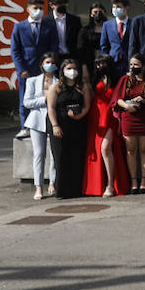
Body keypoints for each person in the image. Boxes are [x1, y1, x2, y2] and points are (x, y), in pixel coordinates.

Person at [11, 0, 60, 133]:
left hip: (46, 68)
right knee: (25, 98)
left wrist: (50, 65)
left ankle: (48, 125)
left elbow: (54, 46)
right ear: (28, 9)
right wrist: (21, 69)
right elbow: (15, 50)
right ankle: (25, 127)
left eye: (40, 8)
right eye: (35, 8)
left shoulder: (49, 26)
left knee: (48, 96)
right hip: (27, 69)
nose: (38, 11)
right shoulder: (19, 27)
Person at [84, 57, 129, 198]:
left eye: (102, 63)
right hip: (96, 117)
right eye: (97, 63)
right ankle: (100, 184)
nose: (100, 66)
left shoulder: (118, 80)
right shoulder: (94, 79)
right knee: (97, 150)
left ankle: (110, 185)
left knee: (105, 148)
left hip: (111, 116)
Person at [47, 57, 89, 200]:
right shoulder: (56, 87)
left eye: (74, 68)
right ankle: (62, 191)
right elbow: (51, 108)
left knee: (76, 157)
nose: (72, 72)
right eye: (69, 69)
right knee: (61, 158)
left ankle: (76, 190)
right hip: (60, 125)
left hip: (77, 126)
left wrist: (80, 115)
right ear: (62, 71)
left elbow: (87, 106)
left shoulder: (83, 86)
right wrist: (55, 125)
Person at [113, 54, 145, 195]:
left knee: (144, 148)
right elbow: (117, 99)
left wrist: (144, 100)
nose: (132, 67)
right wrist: (126, 106)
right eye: (131, 64)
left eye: (135, 64)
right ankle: (134, 182)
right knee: (131, 150)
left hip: (144, 117)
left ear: (143, 66)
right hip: (128, 117)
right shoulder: (125, 79)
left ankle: (144, 181)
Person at [22, 51, 59, 199]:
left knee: (53, 153)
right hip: (36, 120)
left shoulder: (58, 81)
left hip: (53, 119)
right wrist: (44, 99)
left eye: (52, 62)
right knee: (39, 153)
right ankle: (38, 186)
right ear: (42, 65)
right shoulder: (32, 81)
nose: (50, 65)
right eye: (47, 62)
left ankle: (52, 182)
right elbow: (27, 102)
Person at [99, 0, 133, 77]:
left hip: (129, 62)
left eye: (118, 7)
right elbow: (104, 45)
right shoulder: (107, 25)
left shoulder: (134, 24)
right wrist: (106, 61)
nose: (115, 9)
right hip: (112, 61)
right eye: (114, 7)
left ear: (126, 8)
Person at [48, 0, 82, 75]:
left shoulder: (75, 20)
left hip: (71, 58)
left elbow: (79, 41)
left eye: (64, 3)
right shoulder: (45, 22)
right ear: (51, 5)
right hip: (53, 58)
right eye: (59, 4)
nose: (62, 6)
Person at [78, 3, 107, 68]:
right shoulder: (84, 31)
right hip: (90, 63)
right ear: (91, 14)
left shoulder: (109, 29)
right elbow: (81, 50)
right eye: (95, 12)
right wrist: (84, 66)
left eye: (100, 12)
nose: (98, 14)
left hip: (105, 62)